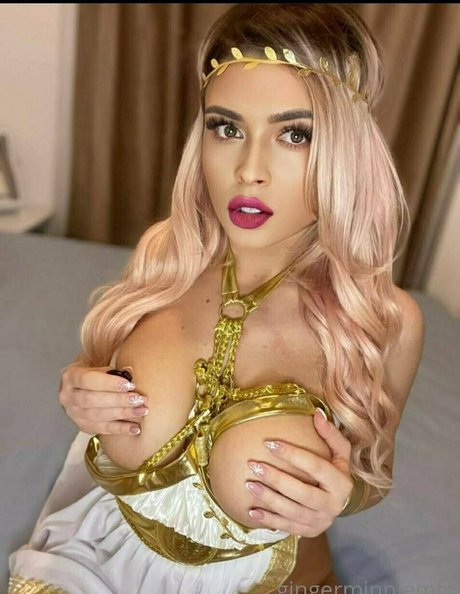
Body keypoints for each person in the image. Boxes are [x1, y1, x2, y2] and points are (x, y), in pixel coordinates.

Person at [9, 3, 425, 593]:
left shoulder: (384, 319)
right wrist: (79, 389)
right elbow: (99, 366)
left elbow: (373, 472)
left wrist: (344, 495)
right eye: (227, 128)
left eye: (295, 134)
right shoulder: (166, 253)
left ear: (345, 150)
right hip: (101, 558)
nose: (249, 170)